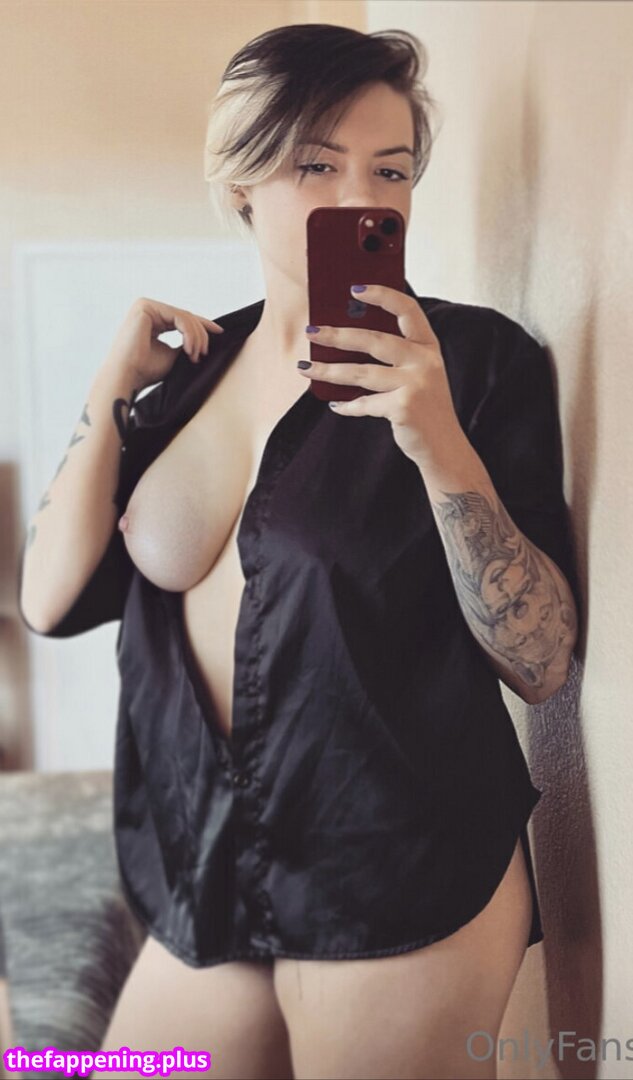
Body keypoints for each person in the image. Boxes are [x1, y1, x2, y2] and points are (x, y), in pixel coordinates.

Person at [17, 24, 581, 1080]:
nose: (360, 196)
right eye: (315, 164)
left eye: (391, 170)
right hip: (205, 871)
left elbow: (541, 660)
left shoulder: (475, 363)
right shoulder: (184, 375)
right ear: (240, 182)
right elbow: (47, 601)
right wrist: (109, 391)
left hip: (398, 875)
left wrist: (435, 439)